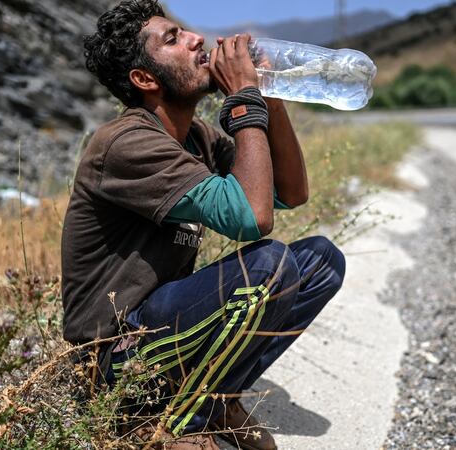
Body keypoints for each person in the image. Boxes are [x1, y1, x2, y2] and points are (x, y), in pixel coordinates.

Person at [61, 1, 345, 448]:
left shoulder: (196, 138)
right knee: (268, 265)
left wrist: (266, 93)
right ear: (145, 79)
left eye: (185, 32)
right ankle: (180, 426)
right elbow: (253, 219)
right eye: (173, 39)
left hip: (162, 324)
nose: (197, 39)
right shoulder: (125, 143)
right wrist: (242, 101)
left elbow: (291, 194)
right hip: (115, 353)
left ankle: (218, 399)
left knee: (321, 261)